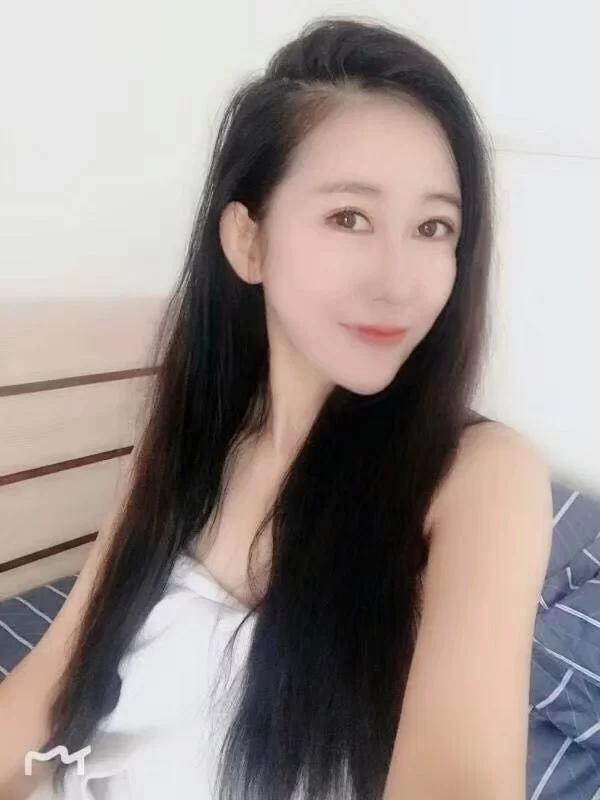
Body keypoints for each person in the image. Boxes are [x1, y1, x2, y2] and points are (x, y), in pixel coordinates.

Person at [0, 15, 552, 800]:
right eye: (349, 217)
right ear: (248, 242)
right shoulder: (190, 434)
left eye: (434, 227)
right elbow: (53, 680)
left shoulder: (480, 478)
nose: (399, 282)